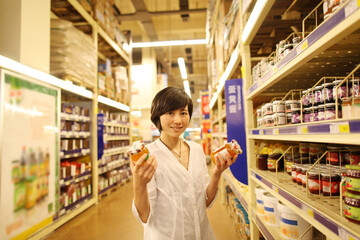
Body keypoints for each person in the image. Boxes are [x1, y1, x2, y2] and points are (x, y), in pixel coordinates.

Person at [130, 86, 238, 240]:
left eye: (183, 113)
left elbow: (205, 202)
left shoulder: (197, 150)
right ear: (157, 116)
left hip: (202, 233)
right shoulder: (149, 156)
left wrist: (216, 174)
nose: (178, 120)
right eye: (170, 113)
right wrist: (139, 184)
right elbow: (145, 216)